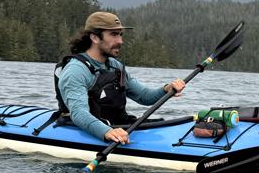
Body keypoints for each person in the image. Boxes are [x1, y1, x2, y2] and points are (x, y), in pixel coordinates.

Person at [54, 11, 186, 144]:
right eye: (114, 34)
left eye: (121, 35)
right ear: (94, 38)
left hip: (118, 125)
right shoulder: (76, 70)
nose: (120, 41)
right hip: (98, 128)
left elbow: (144, 96)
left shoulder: (115, 66)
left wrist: (167, 89)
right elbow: (79, 114)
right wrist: (107, 132)